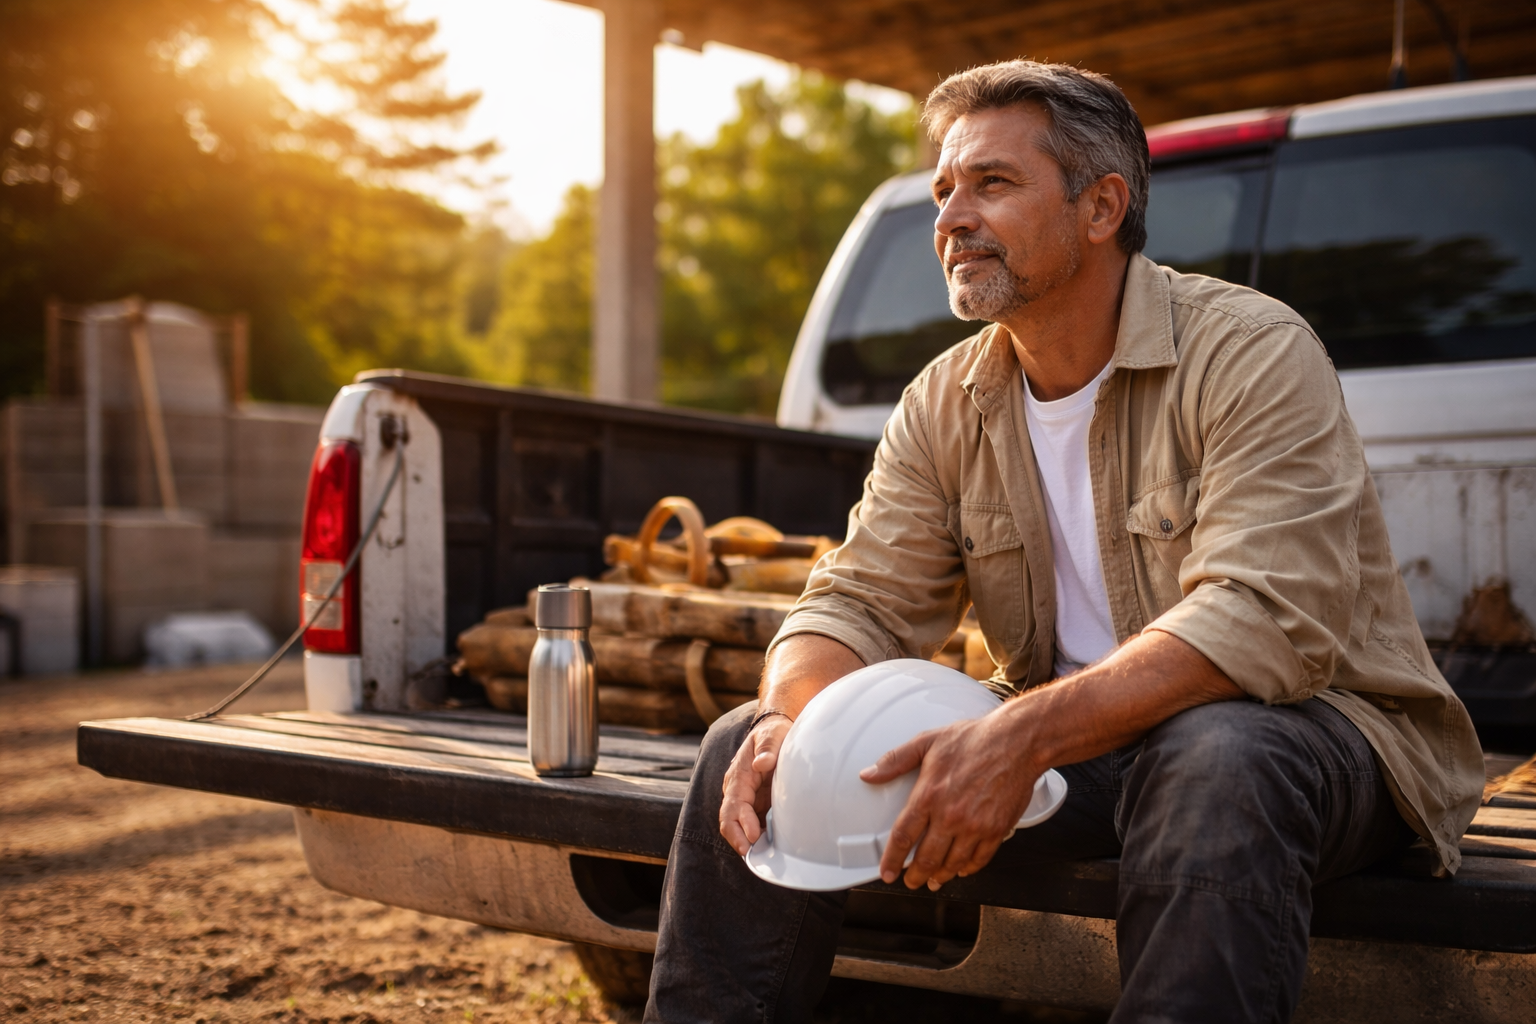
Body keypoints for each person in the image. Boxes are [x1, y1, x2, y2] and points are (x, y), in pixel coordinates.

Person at [643, 60, 1483, 1024]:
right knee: (744, 746)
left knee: (1215, 754)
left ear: (1101, 207)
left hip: (1314, 734)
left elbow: (1264, 621)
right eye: (944, 191)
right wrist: (800, 720)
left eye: (992, 184)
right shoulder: (943, 400)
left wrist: (1017, 734)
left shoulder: (1252, 348)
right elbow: (855, 604)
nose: (952, 217)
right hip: (1071, 747)